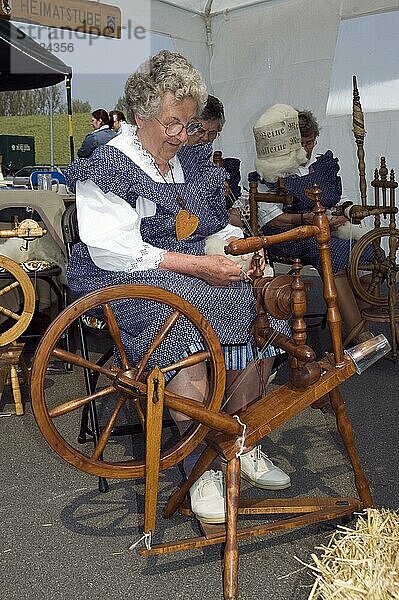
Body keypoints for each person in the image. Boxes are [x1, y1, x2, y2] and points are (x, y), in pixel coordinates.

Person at [64, 51, 291, 525]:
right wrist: (202, 266)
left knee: (264, 306)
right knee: (184, 321)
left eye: (187, 125)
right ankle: (199, 467)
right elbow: (113, 251)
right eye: (171, 123)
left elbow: (210, 227)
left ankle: (239, 440)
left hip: (182, 269)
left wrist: (239, 248)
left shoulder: (187, 161)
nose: (180, 136)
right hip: (120, 278)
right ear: (141, 113)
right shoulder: (107, 165)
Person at [252, 104, 374, 343]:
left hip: (321, 229)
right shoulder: (274, 169)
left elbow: (330, 203)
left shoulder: (321, 165)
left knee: (367, 252)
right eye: (302, 144)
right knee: (331, 254)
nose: (308, 149)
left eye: (311, 142)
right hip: (290, 235)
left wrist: (337, 215)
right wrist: (306, 219)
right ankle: (360, 334)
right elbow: (273, 219)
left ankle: (354, 319)